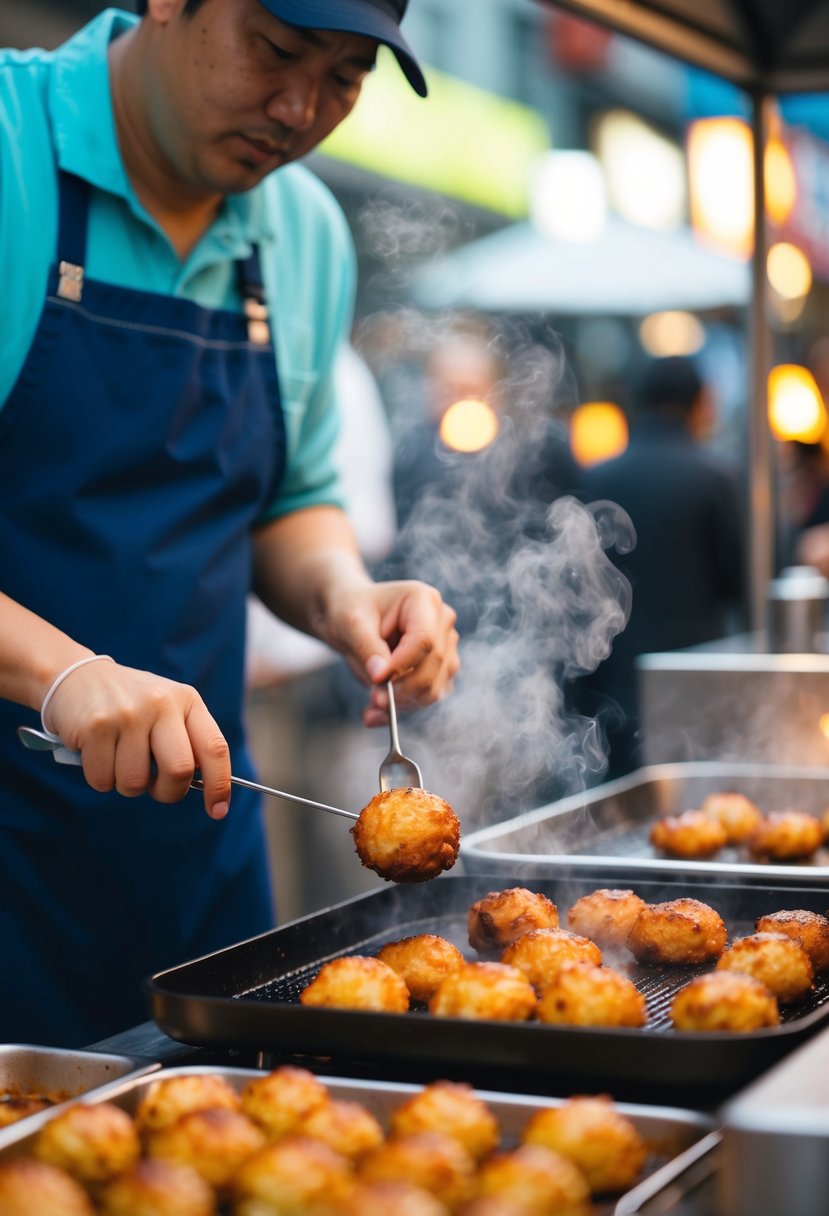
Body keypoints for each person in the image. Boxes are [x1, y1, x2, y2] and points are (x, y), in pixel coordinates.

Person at [0, 0, 459, 1047]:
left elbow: (289, 499)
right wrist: (63, 673)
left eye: (345, 77)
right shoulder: (9, 151)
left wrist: (346, 595)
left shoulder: (302, 233)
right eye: (279, 49)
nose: (299, 108)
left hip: (198, 857)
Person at [579, 355, 745, 777]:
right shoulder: (717, 477)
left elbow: (578, 589)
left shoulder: (598, 478)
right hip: (696, 682)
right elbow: (742, 581)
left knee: (620, 812)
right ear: (700, 404)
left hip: (615, 687)